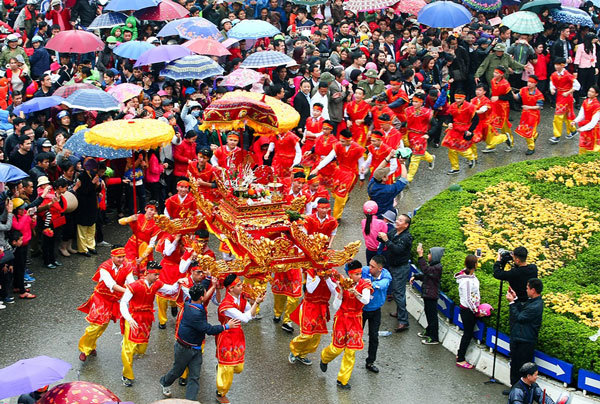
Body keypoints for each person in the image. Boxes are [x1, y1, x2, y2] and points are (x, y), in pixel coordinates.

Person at [159, 284, 240, 401]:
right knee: (177, 371)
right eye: (205, 293)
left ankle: (190, 401)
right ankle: (164, 382)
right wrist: (227, 326)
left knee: (194, 377)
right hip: (184, 348)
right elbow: (208, 330)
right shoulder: (196, 313)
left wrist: (210, 281)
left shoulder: (189, 302)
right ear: (201, 297)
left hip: (195, 349)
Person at [119, 261, 182, 387]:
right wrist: (129, 318)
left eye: (159, 274)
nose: (158, 277)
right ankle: (127, 375)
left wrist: (179, 282)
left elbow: (171, 289)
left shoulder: (156, 284)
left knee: (141, 348)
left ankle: (127, 349)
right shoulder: (134, 286)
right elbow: (123, 303)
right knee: (129, 348)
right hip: (134, 319)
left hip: (146, 319)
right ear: (148, 273)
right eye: (156, 274)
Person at [319, 260, 372, 389]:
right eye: (356, 274)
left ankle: (342, 380)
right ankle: (325, 357)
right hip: (342, 319)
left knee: (351, 351)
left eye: (360, 274)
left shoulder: (365, 285)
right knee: (337, 348)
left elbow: (365, 300)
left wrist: (355, 292)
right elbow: (335, 306)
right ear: (349, 274)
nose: (359, 276)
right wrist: (341, 293)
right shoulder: (341, 284)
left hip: (355, 320)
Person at [77, 246, 134, 362]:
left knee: (103, 326)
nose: (122, 259)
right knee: (96, 325)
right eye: (119, 257)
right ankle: (84, 349)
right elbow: (111, 284)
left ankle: (90, 345)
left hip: (114, 300)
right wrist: (130, 291)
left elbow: (131, 281)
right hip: (101, 298)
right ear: (112, 256)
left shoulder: (127, 266)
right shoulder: (105, 268)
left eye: (123, 256)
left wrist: (136, 289)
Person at [216, 274, 263, 404]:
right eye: (238, 285)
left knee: (239, 367)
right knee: (228, 367)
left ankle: (221, 367)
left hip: (237, 335)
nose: (241, 286)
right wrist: (256, 304)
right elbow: (245, 318)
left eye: (241, 284)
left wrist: (254, 303)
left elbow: (251, 314)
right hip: (226, 336)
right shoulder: (226, 305)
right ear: (230, 289)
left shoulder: (241, 299)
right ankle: (221, 393)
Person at [310, 129, 365, 220]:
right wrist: (317, 168)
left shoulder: (357, 149)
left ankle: (336, 218)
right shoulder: (338, 146)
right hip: (338, 171)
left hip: (350, 174)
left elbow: (361, 164)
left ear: (349, 140)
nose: (341, 142)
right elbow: (329, 157)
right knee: (335, 193)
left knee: (340, 196)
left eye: (343, 141)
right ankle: (344, 198)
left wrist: (362, 178)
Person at [288, 266, 337, 365]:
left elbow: (335, 291)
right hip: (309, 306)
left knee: (315, 337)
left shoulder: (332, 273)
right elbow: (310, 289)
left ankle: (302, 355)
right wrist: (319, 276)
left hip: (321, 308)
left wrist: (327, 278)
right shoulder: (311, 271)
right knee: (307, 334)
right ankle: (294, 350)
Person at [506, 278, 545, 387]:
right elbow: (522, 309)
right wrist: (516, 299)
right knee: (514, 364)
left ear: (533, 290)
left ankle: (520, 390)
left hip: (525, 341)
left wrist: (511, 303)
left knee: (521, 367)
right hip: (519, 338)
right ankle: (514, 387)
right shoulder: (532, 301)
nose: (526, 290)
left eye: (527, 288)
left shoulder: (536, 306)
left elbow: (520, 317)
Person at [379, 213, 412, 332]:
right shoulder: (394, 232)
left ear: (406, 225)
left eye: (400, 220)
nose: (397, 221)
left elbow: (397, 250)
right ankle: (399, 312)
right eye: (398, 219)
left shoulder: (406, 237)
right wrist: (380, 236)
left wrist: (386, 240)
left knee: (398, 293)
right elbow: (385, 239)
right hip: (392, 265)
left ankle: (403, 321)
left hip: (400, 268)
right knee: (396, 291)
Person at [361, 254, 391, 373]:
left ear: (380, 268)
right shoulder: (364, 271)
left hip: (375, 311)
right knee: (355, 335)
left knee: (374, 337)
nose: (369, 268)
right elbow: (352, 270)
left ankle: (370, 361)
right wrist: (350, 264)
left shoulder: (386, 276)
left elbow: (383, 284)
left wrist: (371, 284)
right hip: (361, 310)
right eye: (369, 265)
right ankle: (349, 359)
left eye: (372, 266)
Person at [410, 244, 444, 345]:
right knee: (429, 314)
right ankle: (429, 331)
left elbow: (426, 271)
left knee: (432, 316)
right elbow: (426, 275)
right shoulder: (433, 266)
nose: (428, 255)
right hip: (427, 294)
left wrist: (420, 256)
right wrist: (415, 276)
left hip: (431, 295)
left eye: (429, 254)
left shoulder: (437, 267)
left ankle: (434, 338)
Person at [454, 255, 482, 369]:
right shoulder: (466, 281)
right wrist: (476, 311)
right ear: (474, 265)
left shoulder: (469, 276)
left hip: (470, 309)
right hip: (468, 310)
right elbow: (468, 298)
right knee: (468, 334)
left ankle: (460, 354)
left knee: (468, 333)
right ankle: (460, 358)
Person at [442, 91, 477, 174]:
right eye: (456, 98)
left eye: (459, 98)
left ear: (464, 98)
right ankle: (455, 167)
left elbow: (476, 120)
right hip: (454, 129)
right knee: (451, 148)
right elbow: (450, 116)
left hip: (465, 129)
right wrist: (449, 123)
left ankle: (471, 157)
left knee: (461, 147)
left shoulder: (470, 107)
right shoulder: (452, 106)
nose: (457, 100)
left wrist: (470, 130)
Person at [549, 58, 579, 144]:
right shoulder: (554, 74)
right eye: (555, 64)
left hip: (566, 97)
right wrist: (552, 89)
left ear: (563, 65)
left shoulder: (567, 75)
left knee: (558, 116)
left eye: (558, 64)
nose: (556, 66)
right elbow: (552, 82)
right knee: (568, 115)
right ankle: (573, 130)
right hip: (560, 96)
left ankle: (557, 135)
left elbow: (577, 85)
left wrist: (568, 92)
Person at [514, 76, 545, 155]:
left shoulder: (538, 94)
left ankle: (531, 147)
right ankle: (535, 135)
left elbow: (539, 106)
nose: (529, 84)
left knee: (528, 131)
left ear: (535, 84)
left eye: (531, 82)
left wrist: (529, 107)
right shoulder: (523, 90)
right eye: (528, 82)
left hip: (534, 115)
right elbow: (516, 97)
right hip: (525, 114)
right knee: (526, 130)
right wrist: (509, 91)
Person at [573, 85, 600, 154]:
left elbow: (593, 123)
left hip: (592, 129)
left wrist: (582, 129)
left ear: (596, 94)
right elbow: (581, 115)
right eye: (589, 91)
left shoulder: (597, 106)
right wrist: (575, 121)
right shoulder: (585, 102)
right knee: (583, 146)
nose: (589, 93)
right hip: (585, 127)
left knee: (592, 148)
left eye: (592, 92)